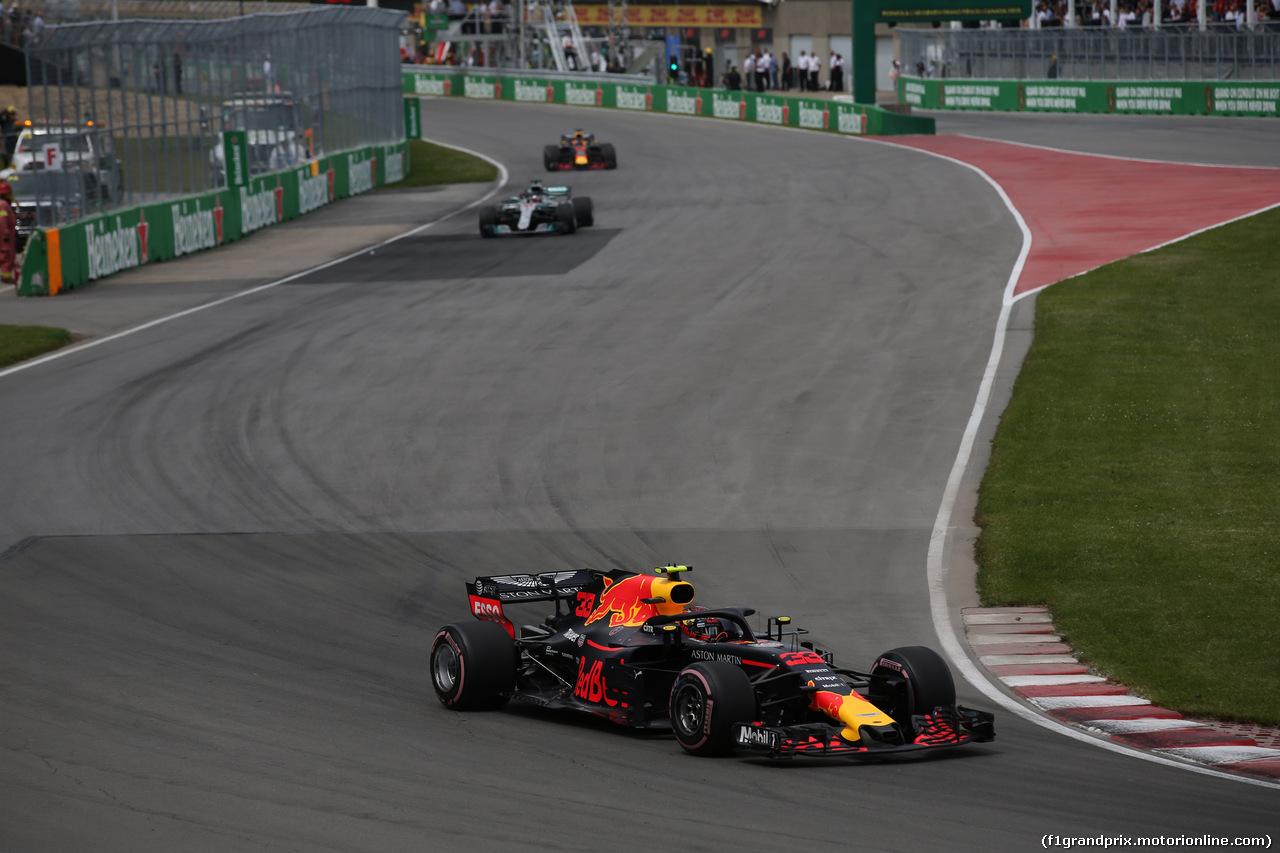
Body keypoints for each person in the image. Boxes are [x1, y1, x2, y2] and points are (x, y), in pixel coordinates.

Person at [0, 179, 16, 287]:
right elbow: (2, 220)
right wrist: (5, 233)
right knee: (6, 254)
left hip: (5, 233)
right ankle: (6, 276)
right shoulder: (3, 204)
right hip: (4, 234)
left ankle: (6, 276)